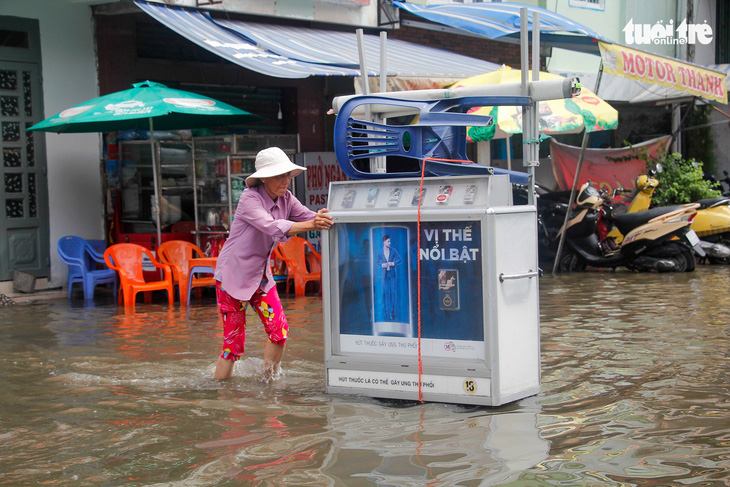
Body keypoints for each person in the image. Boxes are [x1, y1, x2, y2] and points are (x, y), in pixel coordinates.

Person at [213, 147, 333, 381]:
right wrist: (313, 225)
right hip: (232, 278)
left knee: (280, 332)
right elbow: (271, 226)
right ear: (265, 178)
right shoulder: (249, 199)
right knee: (233, 346)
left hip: (260, 278)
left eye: (287, 175)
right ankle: (218, 391)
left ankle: (269, 381)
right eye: (280, 176)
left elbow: (308, 216)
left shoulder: (286, 198)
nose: (285, 180)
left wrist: (323, 216)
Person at [376, 234, 402, 321]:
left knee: (393, 294)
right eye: (388, 241)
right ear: (384, 242)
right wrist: (382, 265)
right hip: (385, 276)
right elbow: (377, 262)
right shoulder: (380, 252)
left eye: (390, 241)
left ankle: (394, 311)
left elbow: (399, 259)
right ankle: (388, 313)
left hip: (393, 275)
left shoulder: (393, 250)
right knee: (387, 294)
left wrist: (393, 263)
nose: (390, 243)